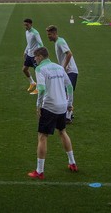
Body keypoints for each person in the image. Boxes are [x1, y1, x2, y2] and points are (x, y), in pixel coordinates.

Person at [27, 47, 77, 179]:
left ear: (40, 56)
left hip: (49, 106)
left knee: (42, 136)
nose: (34, 60)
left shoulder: (40, 69)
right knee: (62, 132)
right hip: (62, 106)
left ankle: (39, 171)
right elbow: (70, 86)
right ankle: (72, 163)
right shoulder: (59, 67)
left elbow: (41, 88)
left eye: (35, 57)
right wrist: (70, 104)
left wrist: (38, 105)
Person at [46, 25, 78, 122]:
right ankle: (69, 114)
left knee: (67, 93)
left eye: (49, 34)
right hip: (66, 72)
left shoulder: (60, 42)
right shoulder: (57, 42)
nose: (48, 36)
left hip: (71, 71)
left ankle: (68, 116)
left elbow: (69, 53)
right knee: (64, 93)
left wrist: (63, 67)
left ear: (55, 33)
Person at [22, 18, 44, 94]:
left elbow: (41, 43)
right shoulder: (27, 32)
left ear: (31, 24)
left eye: (27, 25)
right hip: (29, 54)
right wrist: (25, 52)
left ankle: (38, 88)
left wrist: (39, 54)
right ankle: (32, 83)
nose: (25, 27)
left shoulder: (35, 33)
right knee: (24, 69)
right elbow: (29, 43)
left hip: (35, 56)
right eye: (24, 25)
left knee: (37, 72)